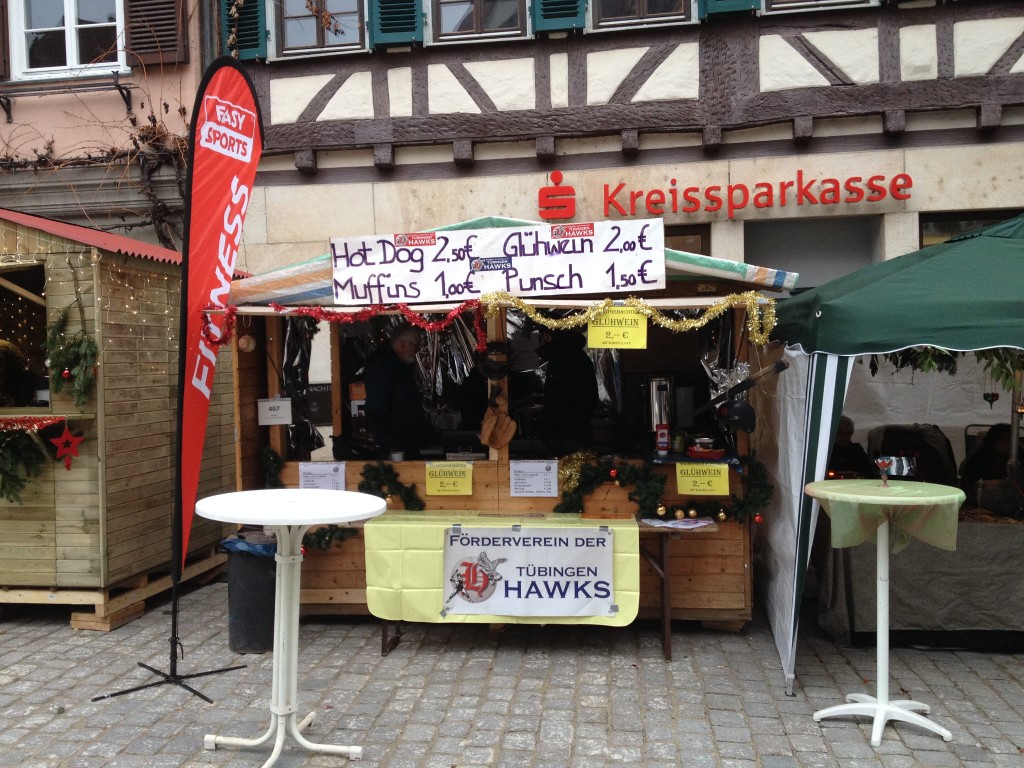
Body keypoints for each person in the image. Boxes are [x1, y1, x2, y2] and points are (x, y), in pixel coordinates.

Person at [361, 323, 431, 457]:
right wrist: (401, 435)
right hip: (395, 446)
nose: (417, 350)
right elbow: (376, 409)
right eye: (416, 345)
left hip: (402, 442)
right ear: (403, 345)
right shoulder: (382, 367)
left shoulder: (397, 365)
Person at [538, 328, 598, 456]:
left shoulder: (559, 359)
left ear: (547, 335)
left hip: (561, 434)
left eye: (540, 337)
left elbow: (555, 400)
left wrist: (547, 429)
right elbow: (591, 397)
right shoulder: (581, 357)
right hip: (580, 430)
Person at [960, 423, 1014, 506]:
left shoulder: (1016, 455)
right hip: (986, 503)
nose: (1010, 444)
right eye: (1006, 440)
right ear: (994, 442)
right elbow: (974, 486)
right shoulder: (981, 459)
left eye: (1012, 440)